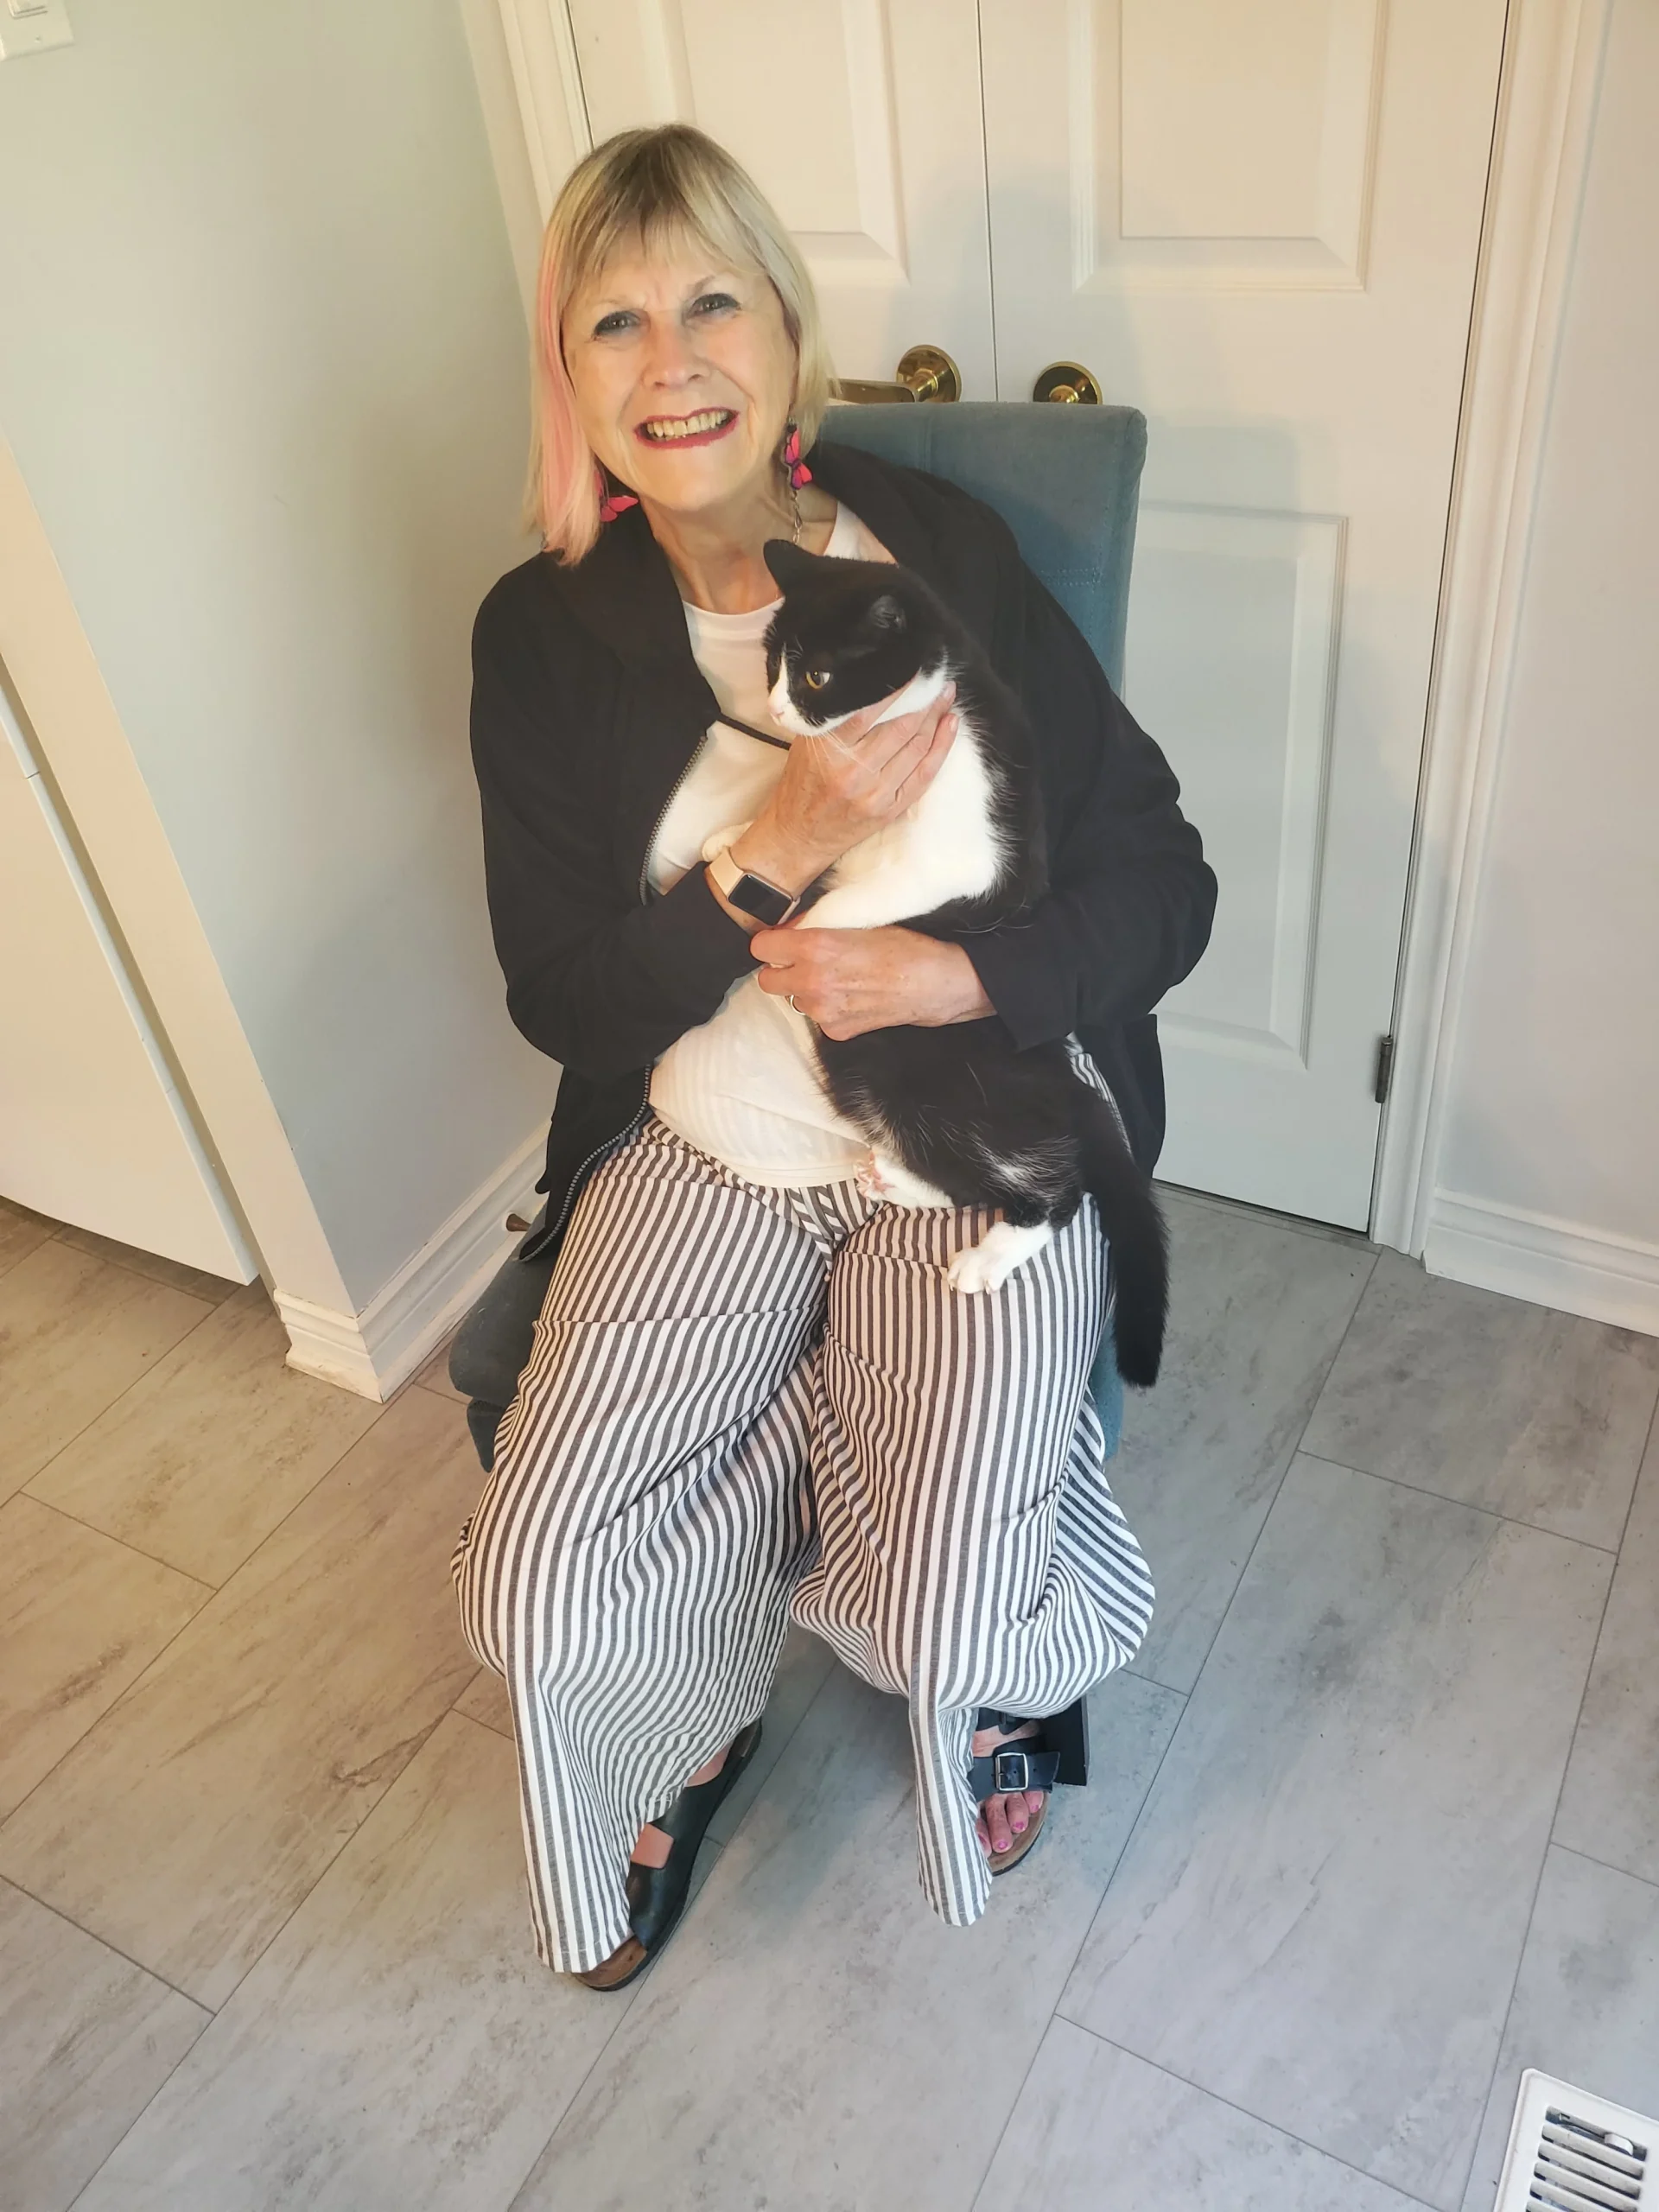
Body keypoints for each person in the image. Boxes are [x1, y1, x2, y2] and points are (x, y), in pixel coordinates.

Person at [452, 123, 1216, 1989]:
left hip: (970, 1109)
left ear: (788, 329)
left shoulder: (940, 556)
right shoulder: (539, 634)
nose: (672, 361)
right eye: (616, 321)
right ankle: (695, 1701)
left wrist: (960, 981)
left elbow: (1162, 878)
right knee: (534, 1582)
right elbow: (564, 998)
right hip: (715, 1127)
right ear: (571, 377)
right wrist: (769, 851)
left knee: (952, 1594)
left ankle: (988, 1674)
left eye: (712, 301)